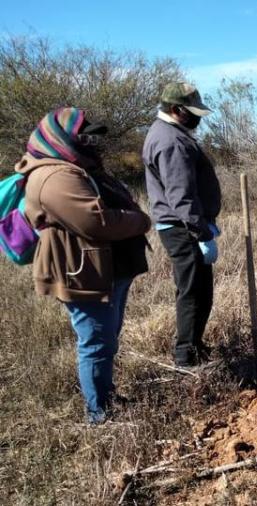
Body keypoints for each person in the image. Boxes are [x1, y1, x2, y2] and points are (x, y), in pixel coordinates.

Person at [17, 107, 151, 423]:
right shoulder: (54, 175)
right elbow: (95, 222)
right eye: (85, 137)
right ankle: (99, 414)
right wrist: (140, 220)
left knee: (106, 338)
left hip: (104, 271)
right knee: (95, 343)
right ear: (59, 137)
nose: (92, 143)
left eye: (93, 138)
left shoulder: (79, 167)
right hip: (82, 275)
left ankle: (107, 397)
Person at [143, 82, 222, 367]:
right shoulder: (170, 141)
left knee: (200, 291)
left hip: (185, 226)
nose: (198, 118)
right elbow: (181, 195)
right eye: (192, 112)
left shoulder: (172, 133)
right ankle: (186, 359)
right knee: (192, 292)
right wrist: (201, 232)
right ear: (176, 110)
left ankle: (195, 347)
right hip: (182, 228)